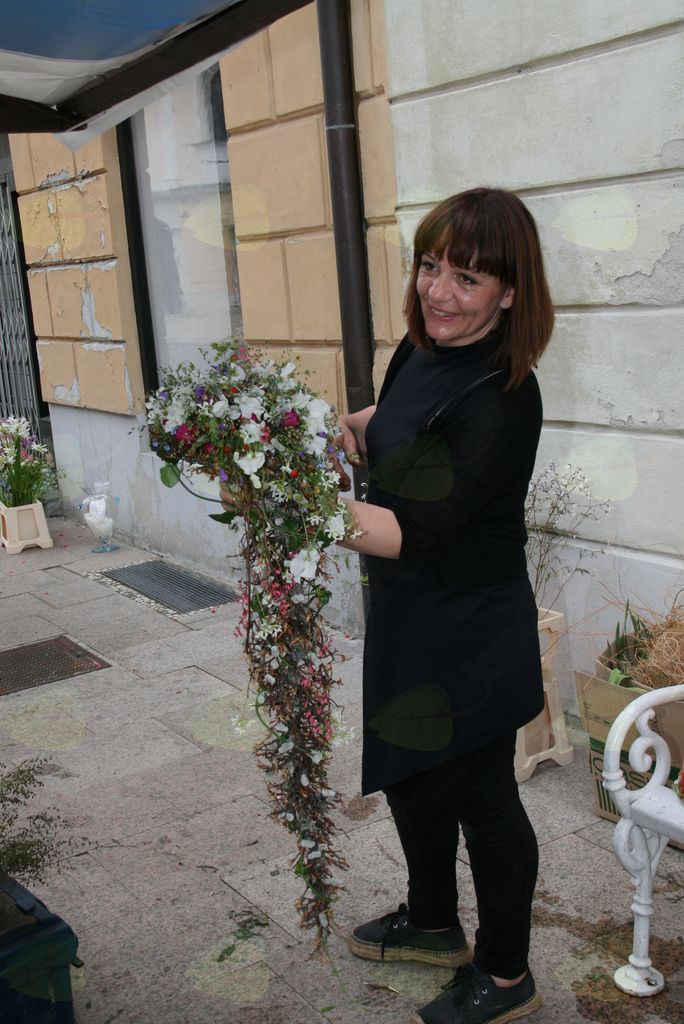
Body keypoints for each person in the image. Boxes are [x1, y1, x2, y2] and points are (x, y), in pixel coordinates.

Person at [333, 187, 554, 1024]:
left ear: (510, 292)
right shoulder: (422, 348)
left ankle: (506, 976)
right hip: (409, 614)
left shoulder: (503, 396)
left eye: (467, 278)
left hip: (470, 628)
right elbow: (392, 419)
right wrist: (353, 427)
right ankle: (432, 922)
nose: (439, 292)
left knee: (480, 797)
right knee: (409, 774)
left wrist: (293, 501)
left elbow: (409, 530)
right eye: (431, 266)